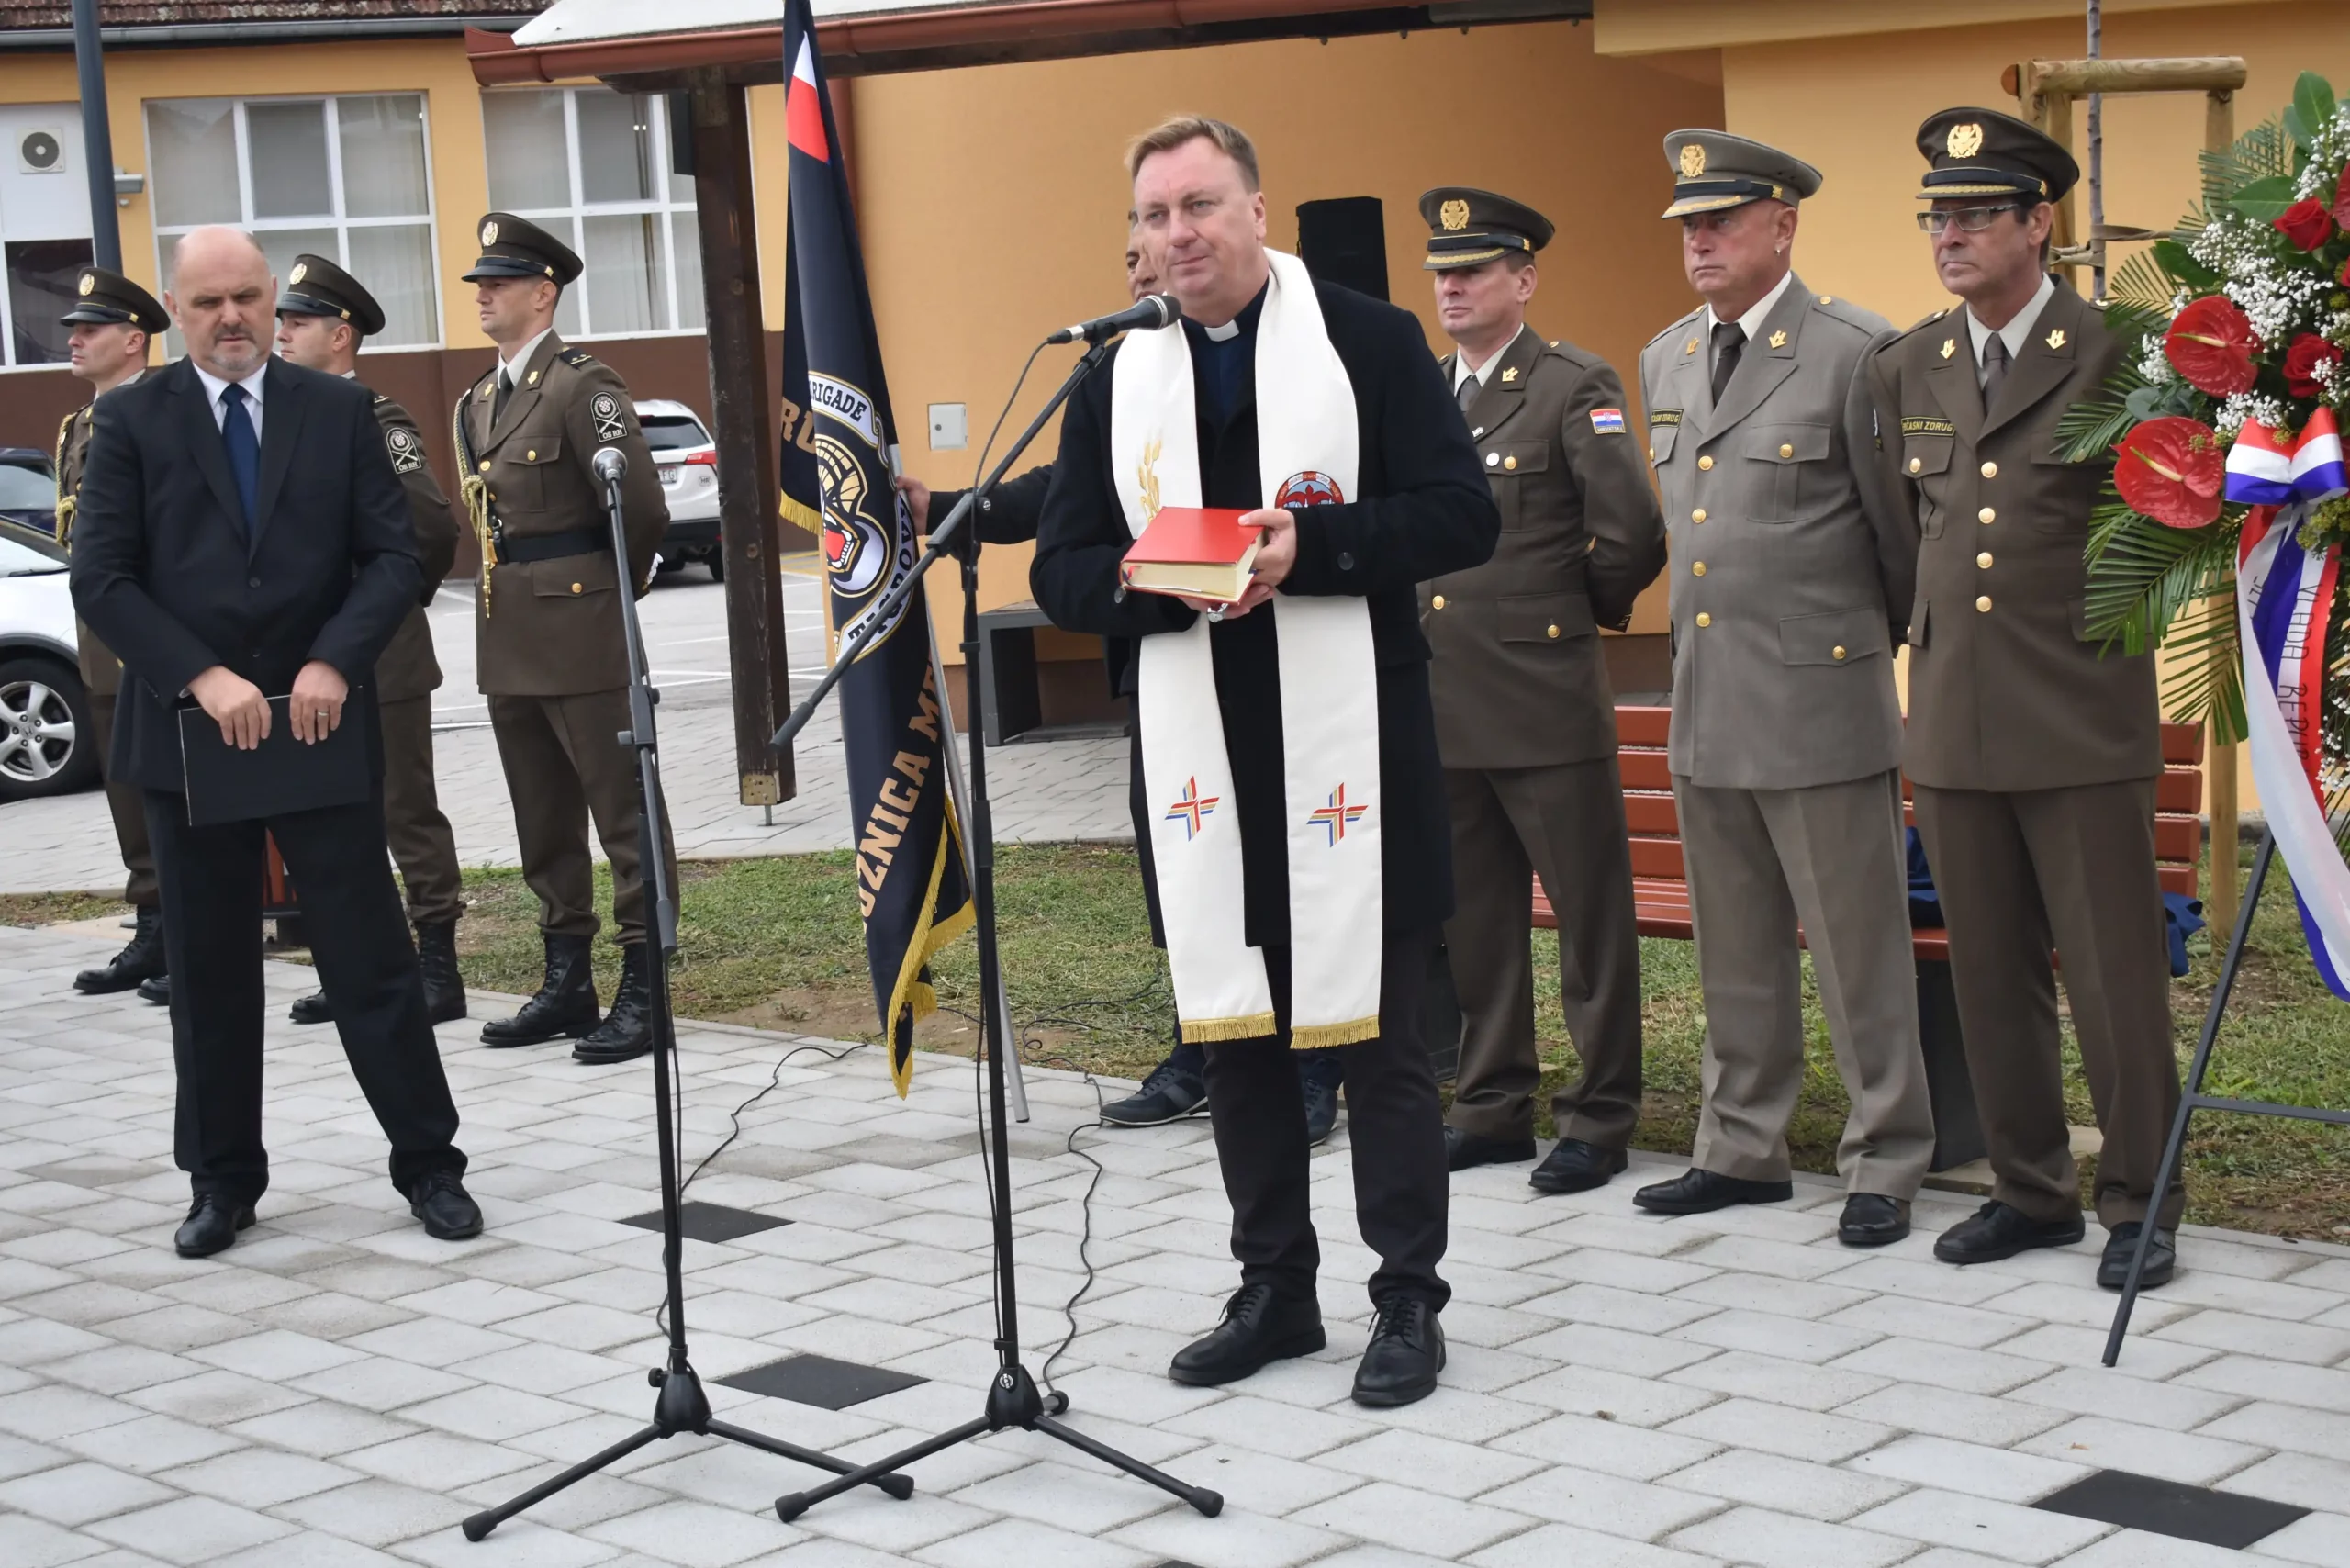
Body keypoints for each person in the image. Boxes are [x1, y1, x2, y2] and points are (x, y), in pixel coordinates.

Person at [1032, 116, 1498, 1406]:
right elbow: (1061, 565)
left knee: (1383, 1035)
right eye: (1152, 215)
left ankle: (1407, 1296)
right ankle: (1275, 1288)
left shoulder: (1368, 338)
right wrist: (1144, 587)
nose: (1174, 235)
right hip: (1203, 753)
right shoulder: (1117, 370)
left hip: (1353, 740)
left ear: (1255, 208)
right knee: (1236, 1034)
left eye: (1198, 205)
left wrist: (1321, 547)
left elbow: (1465, 513)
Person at [68, 227, 480, 1259]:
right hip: (190, 733)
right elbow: (103, 577)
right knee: (209, 970)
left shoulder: (337, 412)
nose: (234, 318)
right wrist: (202, 677)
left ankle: (429, 1164)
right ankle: (222, 1180)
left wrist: (336, 660)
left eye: (249, 296)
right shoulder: (129, 421)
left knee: (369, 957)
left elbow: (391, 556)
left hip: (317, 719)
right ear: (175, 309)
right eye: (208, 303)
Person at [906, 234, 1348, 1143]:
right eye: (1131, 254)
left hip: (1289, 664)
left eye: (1160, 246)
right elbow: (1064, 492)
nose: (1142, 268)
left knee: (1282, 859)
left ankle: (1312, 1062)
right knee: (1183, 864)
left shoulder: (1289, 362)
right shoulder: (1125, 374)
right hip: (1172, 665)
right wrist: (955, 511)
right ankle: (1200, 1042)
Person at [1868, 109, 2182, 1288]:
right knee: (1989, 968)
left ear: (2036, 222)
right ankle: (2030, 1186)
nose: (1947, 235)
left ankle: (2141, 1197)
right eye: (1934, 217)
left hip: (2080, 711)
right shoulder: (1908, 365)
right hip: (1951, 714)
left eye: (1973, 215)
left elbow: (2162, 530)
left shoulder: (2119, 359)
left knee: (2108, 975)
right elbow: (1906, 546)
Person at [1631, 130, 1933, 1248]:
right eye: (1686, 226)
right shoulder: (1666, 356)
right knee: (1736, 942)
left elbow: (1897, 539)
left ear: (1782, 224)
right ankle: (1741, 1144)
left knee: (1857, 945)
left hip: (1819, 697)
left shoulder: (1855, 350)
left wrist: (1857, 651)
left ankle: (1887, 1153)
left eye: (1719, 220)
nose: (1698, 240)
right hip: (1707, 697)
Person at [1416, 187, 1665, 1193]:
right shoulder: (1428, 390)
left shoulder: (1571, 384)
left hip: (1543, 696)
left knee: (1589, 920)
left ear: (1522, 280)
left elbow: (1633, 533)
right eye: (1442, 272)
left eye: (1473, 271)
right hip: (1445, 701)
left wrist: (1566, 610)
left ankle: (1600, 1114)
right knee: (1475, 922)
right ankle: (1490, 1103)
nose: (1454, 287)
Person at [457, 213, 673, 1066]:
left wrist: (619, 592)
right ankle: (566, 978)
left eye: (499, 282)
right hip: (509, 631)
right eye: (479, 282)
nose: (483, 294)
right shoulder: (479, 399)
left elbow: (644, 508)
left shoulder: (584, 386)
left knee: (622, 814)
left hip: (583, 627)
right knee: (542, 818)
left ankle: (646, 986)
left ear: (544, 293)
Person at [274, 254, 467, 1029]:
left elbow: (431, 526)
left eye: (297, 321)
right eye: (280, 319)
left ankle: (438, 967)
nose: (280, 332)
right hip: (304, 659)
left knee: (404, 813)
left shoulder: (377, 420)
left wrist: (379, 604)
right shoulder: (287, 423)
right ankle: (354, 965)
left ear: (341, 335)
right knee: (326, 818)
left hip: (380, 655)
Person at [57, 267, 171, 1004]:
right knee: (123, 785)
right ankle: (152, 922)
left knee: (167, 786)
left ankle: (187, 930)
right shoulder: (78, 425)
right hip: (101, 634)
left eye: (88, 329)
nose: (73, 338)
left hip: (154, 627)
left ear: (133, 341)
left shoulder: (163, 414)